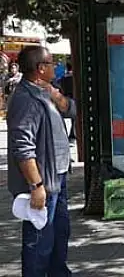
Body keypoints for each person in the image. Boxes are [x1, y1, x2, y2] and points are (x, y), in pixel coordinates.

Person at [7, 45, 76, 276]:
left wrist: (56, 95)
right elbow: (23, 148)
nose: (55, 66)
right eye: (51, 63)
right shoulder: (26, 99)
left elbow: (71, 110)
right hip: (44, 181)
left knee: (59, 233)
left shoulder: (45, 91)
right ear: (39, 69)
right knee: (40, 241)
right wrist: (36, 186)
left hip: (58, 175)